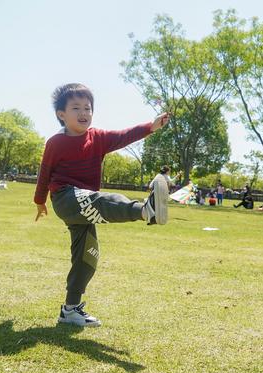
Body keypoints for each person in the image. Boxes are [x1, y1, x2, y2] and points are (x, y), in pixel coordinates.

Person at [34, 83, 170, 327]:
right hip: (66, 199)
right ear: (61, 114)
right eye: (76, 107)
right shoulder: (55, 143)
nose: (83, 112)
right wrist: (39, 200)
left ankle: (71, 310)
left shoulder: (97, 138)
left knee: (87, 257)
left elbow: (124, 135)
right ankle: (144, 210)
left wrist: (151, 126)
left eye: (87, 107)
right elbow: (45, 172)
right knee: (102, 200)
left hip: (85, 206)